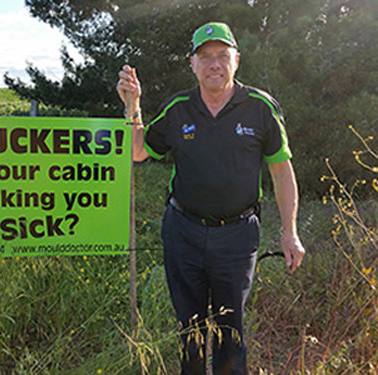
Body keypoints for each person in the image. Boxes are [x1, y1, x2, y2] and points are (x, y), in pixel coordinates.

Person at [116, 22, 305, 375]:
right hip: (183, 231)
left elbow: (281, 171)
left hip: (237, 235)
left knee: (230, 329)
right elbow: (138, 151)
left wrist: (289, 232)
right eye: (205, 57)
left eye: (222, 56)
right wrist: (133, 105)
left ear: (236, 59)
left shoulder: (261, 108)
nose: (214, 64)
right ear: (193, 64)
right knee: (189, 327)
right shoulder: (178, 108)